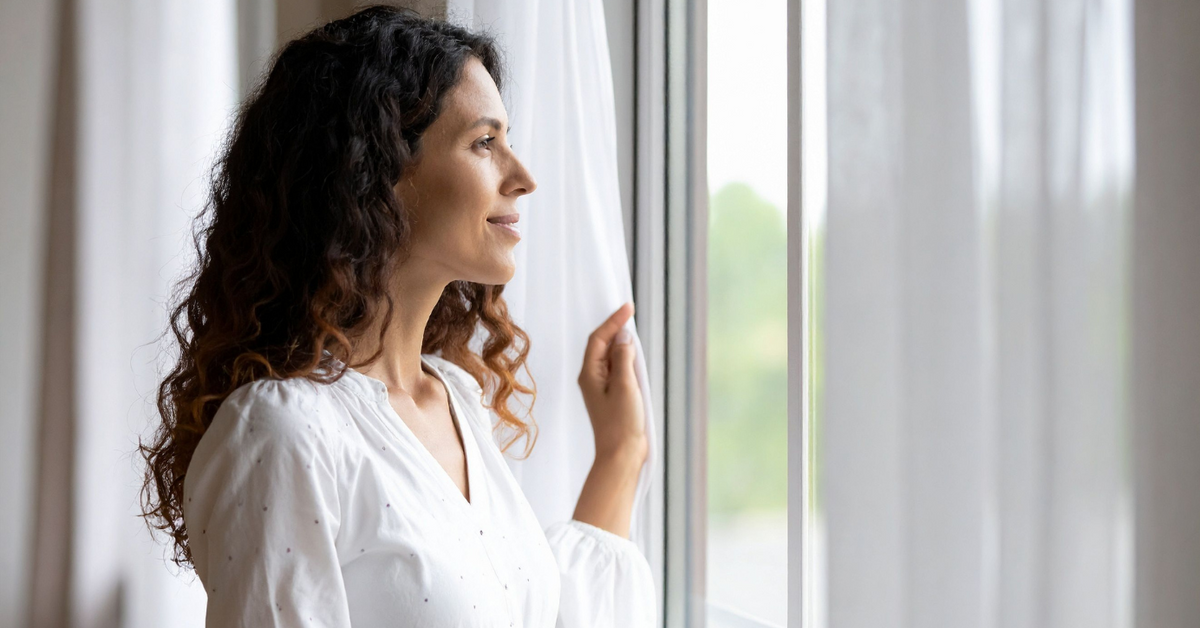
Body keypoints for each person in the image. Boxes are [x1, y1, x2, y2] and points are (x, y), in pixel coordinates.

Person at [136, 5, 654, 626]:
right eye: (485, 143)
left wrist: (623, 451)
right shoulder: (282, 434)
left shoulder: (456, 399)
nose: (523, 177)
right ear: (377, 173)